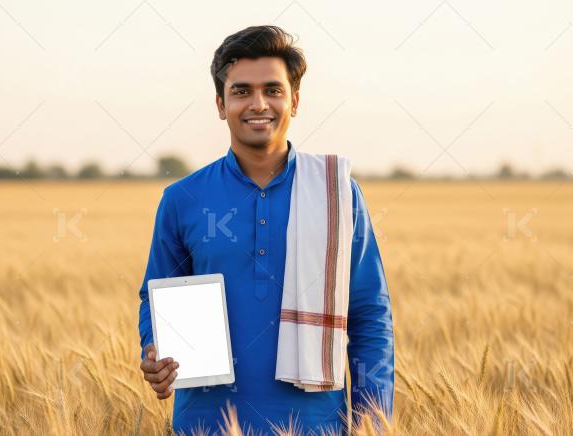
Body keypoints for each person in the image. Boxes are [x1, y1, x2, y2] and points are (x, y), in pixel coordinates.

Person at [137, 25, 394, 435]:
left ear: (295, 100)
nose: (259, 104)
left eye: (273, 90)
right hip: (205, 426)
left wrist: (375, 425)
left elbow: (369, 315)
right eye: (241, 91)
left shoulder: (336, 193)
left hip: (318, 426)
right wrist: (154, 351)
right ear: (221, 104)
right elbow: (156, 295)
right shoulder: (183, 198)